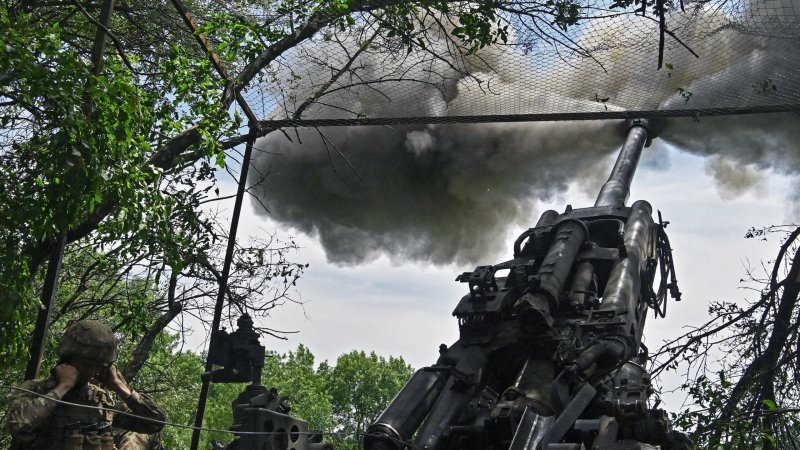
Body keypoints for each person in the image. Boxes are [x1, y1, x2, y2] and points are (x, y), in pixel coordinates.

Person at [6, 320, 166, 449]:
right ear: (68, 358)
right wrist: (62, 388)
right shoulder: (37, 389)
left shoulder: (101, 400)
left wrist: (119, 386)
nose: (92, 371)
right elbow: (18, 425)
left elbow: (155, 423)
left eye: (98, 365)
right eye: (86, 364)